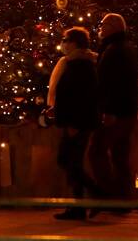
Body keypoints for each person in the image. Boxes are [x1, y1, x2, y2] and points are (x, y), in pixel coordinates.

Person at [46, 26, 100, 220]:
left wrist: (73, 123)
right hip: (74, 120)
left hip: (77, 123)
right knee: (71, 162)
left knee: (69, 161)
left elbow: (81, 97)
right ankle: (81, 204)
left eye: (65, 40)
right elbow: (67, 94)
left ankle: (94, 196)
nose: (63, 43)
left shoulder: (81, 65)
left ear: (75, 43)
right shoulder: (75, 63)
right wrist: (56, 108)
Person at [91, 12, 138, 208]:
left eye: (103, 24)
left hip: (116, 113)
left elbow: (109, 84)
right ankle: (124, 198)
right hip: (127, 111)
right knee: (120, 155)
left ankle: (110, 196)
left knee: (97, 151)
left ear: (112, 27)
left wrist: (108, 111)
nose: (100, 28)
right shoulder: (124, 49)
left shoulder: (113, 51)